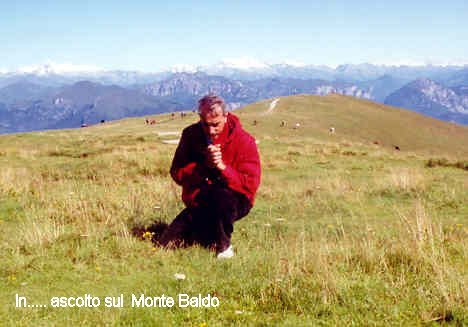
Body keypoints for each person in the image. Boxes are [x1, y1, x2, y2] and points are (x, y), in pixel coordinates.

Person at [158, 94, 261, 258]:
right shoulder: (190, 135)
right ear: (200, 118)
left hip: (235, 199)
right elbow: (177, 173)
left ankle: (224, 247)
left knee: (220, 197)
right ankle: (207, 234)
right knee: (167, 243)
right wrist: (203, 166)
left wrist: (222, 168)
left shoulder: (244, 140)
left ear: (226, 117)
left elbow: (250, 185)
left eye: (216, 125)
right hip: (200, 199)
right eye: (206, 125)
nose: (211, 130)